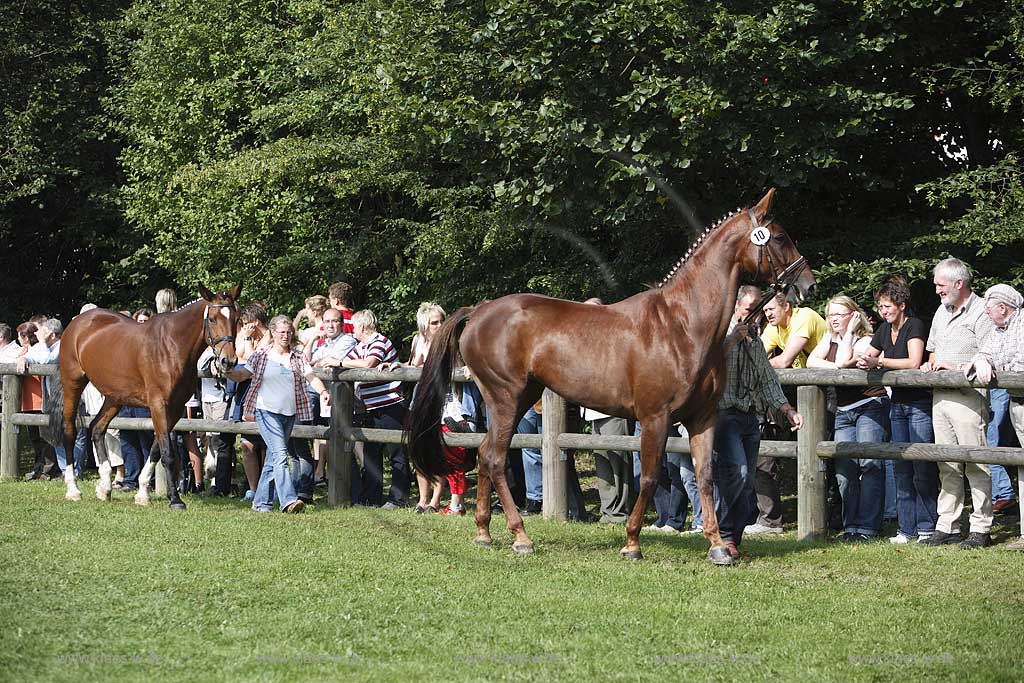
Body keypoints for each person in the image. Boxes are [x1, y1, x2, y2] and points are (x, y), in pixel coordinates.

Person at [713, 286, 802, 558]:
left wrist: (786, 409)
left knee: (748, 479)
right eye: (750, 310)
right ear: (736, 305)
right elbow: (705, 366)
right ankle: (723, 536)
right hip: (723, 415)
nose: (755, 317)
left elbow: (766, 379)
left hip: (751, 417)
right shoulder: (717, 333)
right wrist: (731, 341)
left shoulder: (756, 339)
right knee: (737, 473)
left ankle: (733, 538)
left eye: (758, 312)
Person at [919, 258, 995, 549]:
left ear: (958, 283)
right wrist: (930, 366)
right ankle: (947, 525)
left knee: (976, 463)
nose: (936, 289)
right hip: (940, 397)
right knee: (947, 464)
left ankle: (981, 527)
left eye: (940, 284)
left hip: (969, 399)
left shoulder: (982, 312)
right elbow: (933, 353)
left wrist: (952, 367)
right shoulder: (940, 311)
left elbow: (989, 355)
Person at [857, 277, 938, 544]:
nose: (883, 311)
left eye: (887, 306)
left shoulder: (914, 325)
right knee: (901, 466)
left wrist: (880, 361)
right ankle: (906, 528)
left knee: (922, 466)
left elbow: (914, 361)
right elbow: (869, 354)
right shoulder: (882, 330)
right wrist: (864, 360)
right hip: (897, 405)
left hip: (919, 405)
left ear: (901, 305)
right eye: (880, 307)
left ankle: (927, 525)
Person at [225, 315, 331, 513]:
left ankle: (261, 503)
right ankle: (289, 501)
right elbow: (243, 375)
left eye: (289, 332)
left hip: (289, 413)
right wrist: (227, 372)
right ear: (273, 333)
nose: (286, 335)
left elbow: (310, 376)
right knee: (281, 455)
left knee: (274, 457)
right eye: (282, 332)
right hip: (266, 412)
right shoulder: (262, 355)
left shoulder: (298, 357)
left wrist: (323, 391)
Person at [809, 295, 889, 541]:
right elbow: (812, 362)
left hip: (869, 406)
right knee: (844, 472)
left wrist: (850, 334)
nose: (833, 319)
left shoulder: (866, 340)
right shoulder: (829, 338)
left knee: (870, 466)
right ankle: (851, 525)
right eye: (830, 314)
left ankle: (868, 527)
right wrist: (836, 370)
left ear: (854, 316)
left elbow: (844, 360)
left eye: (839, 314)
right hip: (844, 411)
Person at [749, 292, 827, 534]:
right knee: (772, 451)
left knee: (825, 455)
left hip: (827, 392)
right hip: (800, 393)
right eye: (765, 311)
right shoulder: (774, 327)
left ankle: (829, 518)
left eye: (772, 309)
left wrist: (760, 364)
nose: (768, 314)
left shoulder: (804, 317)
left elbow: (783, 361)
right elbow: (755, 355)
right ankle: (772, 520)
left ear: (787, 307)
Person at [963, 284, 1024, 551]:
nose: (985, 313)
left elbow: (1018, 365)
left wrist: (995, 365)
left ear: (1002, 308)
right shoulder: (1000, 330)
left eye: (988, 308)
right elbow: (985, 351)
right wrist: (983, 361)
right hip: (1017, 403)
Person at [341, 310, 411, 508]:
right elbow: (348, 359)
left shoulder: (380, 341)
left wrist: (339, 363)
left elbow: (369, 363)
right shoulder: (362, 345)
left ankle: (399, 499)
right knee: (372, 454)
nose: (353, 330)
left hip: (391, 406)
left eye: (354, 326)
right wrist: (326, 361)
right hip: (372, 408)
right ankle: (371, 498)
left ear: (362, 326)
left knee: (396, 453)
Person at [306, 306, 359, 488]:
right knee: (326, 435)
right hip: (326, 396)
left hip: (344, 399)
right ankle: (329, 479)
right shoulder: (324, 344)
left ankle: (352, 487)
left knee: (346, 443)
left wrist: (317, 363)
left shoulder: (347, 340)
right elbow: (306, 362)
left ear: (342, 324)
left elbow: (329, 362)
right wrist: (313, 339)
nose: (330, 325)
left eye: (334, 321)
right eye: (327, 321)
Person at [233, 303, 271, 500]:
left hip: (265, 394)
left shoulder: (270, 337)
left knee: (265, 445)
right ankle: (253, 489)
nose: (244, 326)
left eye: (247, 323)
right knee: (247, 444)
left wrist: (247, 339)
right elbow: (237, 353)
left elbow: (252, 359)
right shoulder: (250, 336)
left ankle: (266, 489)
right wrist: (244, 338)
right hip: (246, 393)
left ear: (255, 322)